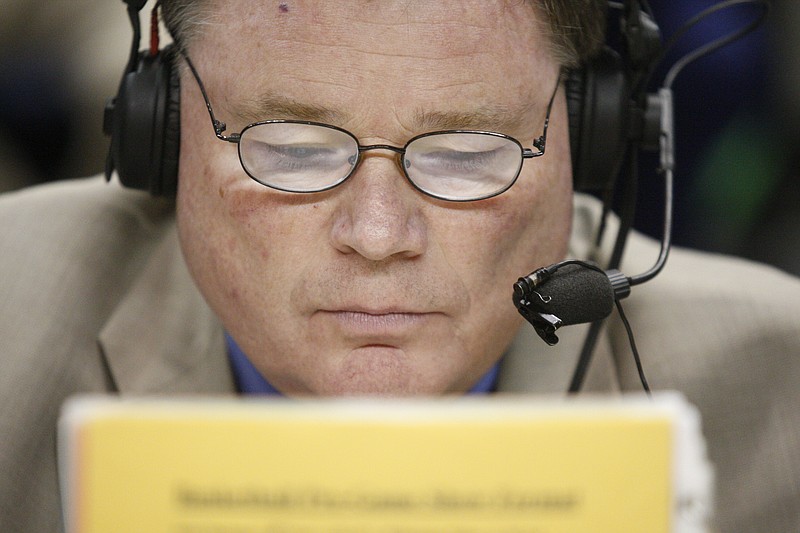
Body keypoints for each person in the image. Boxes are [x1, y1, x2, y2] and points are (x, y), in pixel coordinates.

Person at [1, 1, 798, 532]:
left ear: (588, 138)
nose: (378, 234)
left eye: (467, 152)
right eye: (290, 146)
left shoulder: (780, 397)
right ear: (160, 128)